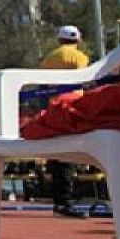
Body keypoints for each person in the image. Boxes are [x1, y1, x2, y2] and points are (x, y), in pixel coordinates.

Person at [40, 25, 91, 212]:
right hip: (75, 106)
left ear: (59, 40)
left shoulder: (50, 58)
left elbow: (44, 82)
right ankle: (66, 201)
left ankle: (59, 199)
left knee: (57, 153)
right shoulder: (81, 58)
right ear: (78, 40)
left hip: (54, 106)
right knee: (71, 152)